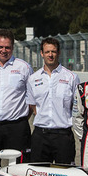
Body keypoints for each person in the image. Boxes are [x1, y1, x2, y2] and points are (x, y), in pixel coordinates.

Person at [0, 29, 34, 164]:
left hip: (17, 127)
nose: (4, 50)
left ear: (12, 48)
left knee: (21, 167)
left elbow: (32, 97)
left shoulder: (24, 67)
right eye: (1, 47)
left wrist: (20, 117)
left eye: (7, 47)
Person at [27, 37, 79, 165]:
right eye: (47, 52)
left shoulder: (71, 77)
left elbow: (76, 106)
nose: (50, 55)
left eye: (53, 51)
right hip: (40, 135)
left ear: (59, 53)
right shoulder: (33, 78)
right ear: (42, 54)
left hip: (63, 136)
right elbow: (33, 105)